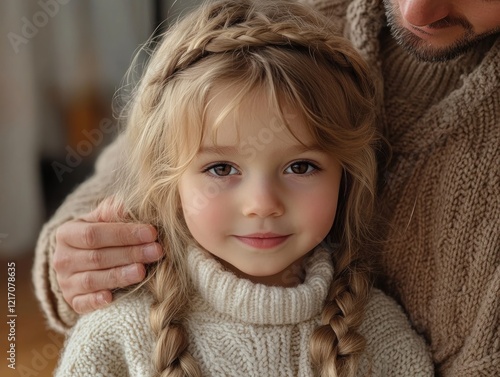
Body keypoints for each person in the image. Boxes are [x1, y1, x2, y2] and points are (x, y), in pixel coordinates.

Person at [34, 0, 499, 375]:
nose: (261, 205)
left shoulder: (380, 338)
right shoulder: (116, 337)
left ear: (349, 177)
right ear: (165, 182)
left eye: (300, 166)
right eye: (220, 169)